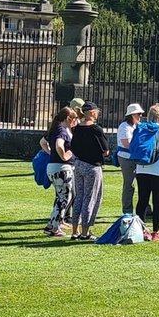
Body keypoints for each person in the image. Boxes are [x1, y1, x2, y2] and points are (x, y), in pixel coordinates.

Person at [133, 103, 159, 240]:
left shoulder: (140, 128)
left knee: (142, 200)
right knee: (158, 201)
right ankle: (156, 232)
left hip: (142, 168)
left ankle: (141, 229)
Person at [70, 101, 109, 240]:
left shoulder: (77, 128)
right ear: (92, 112)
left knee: (79, 196)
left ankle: (75, 230)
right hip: (92, 166)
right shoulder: (96, 129)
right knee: (90, 197)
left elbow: (73, 147)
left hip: (79, 164)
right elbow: (106, 151)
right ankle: (85, 231)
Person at [44, 107, 79, 237]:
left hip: (54, 166)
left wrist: (51, 153)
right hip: (62, 168)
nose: (76, 121)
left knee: (62, 197)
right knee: (64, 198)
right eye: (74, 119)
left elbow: (43, 142)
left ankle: (52, 225)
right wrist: (65, 155)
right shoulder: (62, 131)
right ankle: (54, 227)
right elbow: (59, 144)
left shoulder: (55, 129)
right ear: (68, 119)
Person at [117, 103, 145, 214]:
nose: (140, 116)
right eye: (139, 114)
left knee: (143, 182)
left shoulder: (137, 125)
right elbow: (127, 144)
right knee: (129, 184)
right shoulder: (124, 126)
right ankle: (127, 209)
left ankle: (145, 207)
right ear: (132, 114)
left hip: (136, 157)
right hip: (126, 157)